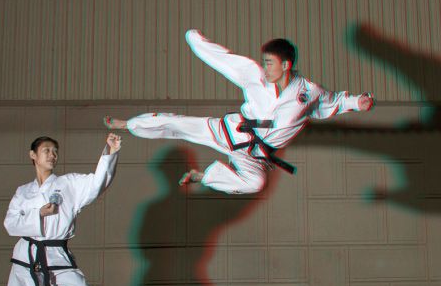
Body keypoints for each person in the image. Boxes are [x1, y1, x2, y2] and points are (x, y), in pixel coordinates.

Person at [104, 29, 375, 194]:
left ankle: (204, 176)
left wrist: (356, 103)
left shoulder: (308, 93)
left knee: (256, 184)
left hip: (256, 157)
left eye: (271, 63)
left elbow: (332, 102)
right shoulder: (255, 76)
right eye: (265, 62)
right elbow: (224, 60)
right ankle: (128, 124)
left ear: (287, 65)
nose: (265, 68)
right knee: (179, 125)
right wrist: (196, 41)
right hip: (231, 132)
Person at [3, 133, 133, 286]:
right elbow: (10, 225)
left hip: (57, 253)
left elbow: (97, 183)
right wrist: (39, 214)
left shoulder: (69, 184)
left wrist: (110, 152)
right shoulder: (23, 192)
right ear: (33, 155)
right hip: (26, 256)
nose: (52, 155)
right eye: (46, 150)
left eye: (55, 151)